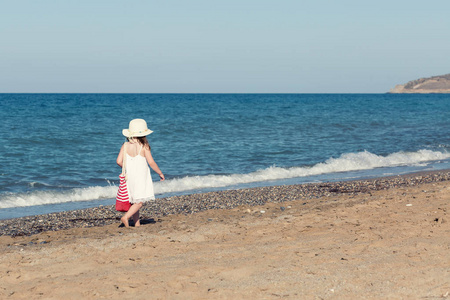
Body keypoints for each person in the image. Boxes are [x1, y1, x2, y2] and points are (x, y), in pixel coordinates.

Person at [116, 119, 165, 227]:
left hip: (129, 177)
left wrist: (128, 167)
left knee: (134, 201)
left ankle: (137, 224)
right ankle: (126, 217)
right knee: (139, 202)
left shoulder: (125, 145)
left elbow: (119, 161)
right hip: (140, 177)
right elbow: (151, 162)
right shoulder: (144, 146)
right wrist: (160, 173)